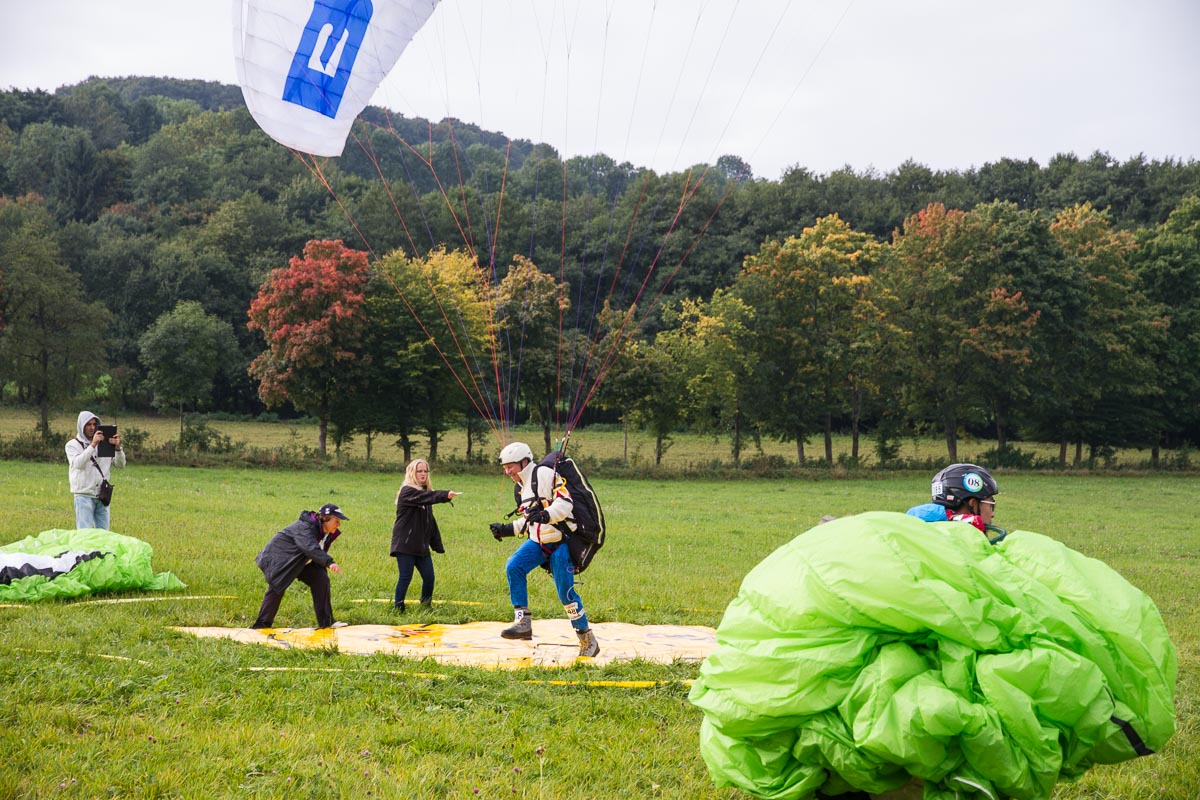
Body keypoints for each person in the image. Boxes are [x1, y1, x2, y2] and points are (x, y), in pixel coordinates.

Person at [488, 442, 599, 658]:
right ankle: (523, 622)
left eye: (510, 466)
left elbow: (565, 503)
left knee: (566, 595)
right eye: (505, 467)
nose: (507, 471)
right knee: (514, 566)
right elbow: (531, 519)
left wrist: (546, 515)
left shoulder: (544, 474)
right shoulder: (521, 487)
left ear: (524, 462)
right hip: (538, 542)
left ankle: (588, 640)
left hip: (561, 542)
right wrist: (506, 529)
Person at [251, 503, 349, 630]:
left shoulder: (325, 533)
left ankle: (327, 622)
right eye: (336, 521)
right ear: (326, 519)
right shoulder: (305, 527)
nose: (339, 525)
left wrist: (323, 565)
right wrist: (329, 562)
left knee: (321, 580)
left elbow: (316, 553)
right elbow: (310, 548)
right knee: (277, 588)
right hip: (279, 558)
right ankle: (261, 625)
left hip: (299, 560)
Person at [391, 459, 459, 612]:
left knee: (429, 577)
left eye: (425, 471)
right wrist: (445, 495)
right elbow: (429, 497)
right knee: (405, 577)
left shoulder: (424, 493)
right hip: (405, 544)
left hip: (420, 546)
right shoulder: (407, 491)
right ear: (412, 473)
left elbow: (430, 522)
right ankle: (398, 609)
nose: (423, 474)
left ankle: (426, 607)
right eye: (419, 471)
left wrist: (436, 545)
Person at [906, 463, 1005, 541]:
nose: (992, 514)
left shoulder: (915, 533)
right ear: (973, 504)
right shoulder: (958, 549)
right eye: (991, 505)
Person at [65, 410, 126, 530]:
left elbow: (121, 465)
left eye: (94, 424)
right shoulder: (72, 445)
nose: (92, 428)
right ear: (81, 426)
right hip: (84, 495)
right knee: (84, 534)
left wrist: (118, 449)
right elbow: (78, 464)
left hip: (102, 495)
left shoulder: (105, 443)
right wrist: (93, 445)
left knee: (103, 534)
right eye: (88, 424)